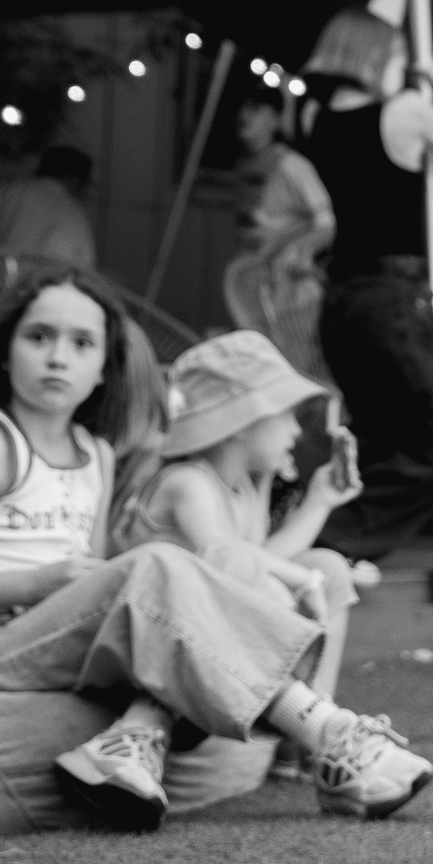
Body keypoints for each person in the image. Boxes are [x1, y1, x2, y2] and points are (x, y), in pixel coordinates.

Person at [0, 267, 433, 830]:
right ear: (3, 354)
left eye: (82, 343)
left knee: (173, 611)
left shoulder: (94, 454)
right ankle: (328, 735)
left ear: (103, 369)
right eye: (38, 337)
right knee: (164, 569)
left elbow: (91, 579)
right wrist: (36, 583)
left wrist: (71, 589)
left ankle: (132, 740)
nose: (58, 357)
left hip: (55, 639)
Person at [296, 0, 433, 561]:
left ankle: (326, 550)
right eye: (395, 54)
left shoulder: (314, 116)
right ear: (374, 55)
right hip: (391, 302)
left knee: (382, 444)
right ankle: (330, 544)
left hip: (342, 307)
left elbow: (373, 22)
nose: (401, 63)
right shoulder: (404, 112)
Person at [114, 331, 366, 778]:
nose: (296, 431)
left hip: (213, 636)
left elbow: (261, 555)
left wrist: (320, 502)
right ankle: (310, 724)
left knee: (327, 569)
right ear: (243, 422)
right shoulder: (188, 483)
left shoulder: (245, 487)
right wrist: (298, 581)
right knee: (268, 575)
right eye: (286, 416)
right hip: (161, 643)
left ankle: (308, 732)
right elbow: (229, 558)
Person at [225, 96, 336, 382]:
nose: (244, 114)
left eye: (255, 107)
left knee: (296, 374)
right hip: (252, 287)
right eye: (242, 106)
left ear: (275, 119)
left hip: (290, 292)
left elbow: (327, 224)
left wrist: (292, 248)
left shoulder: (292, 165)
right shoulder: (243, 164)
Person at [0, 145, 96, 268]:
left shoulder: (11, 188)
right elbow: (84, 270)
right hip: (47, 282)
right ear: (75, 180)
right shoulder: (77, 216)